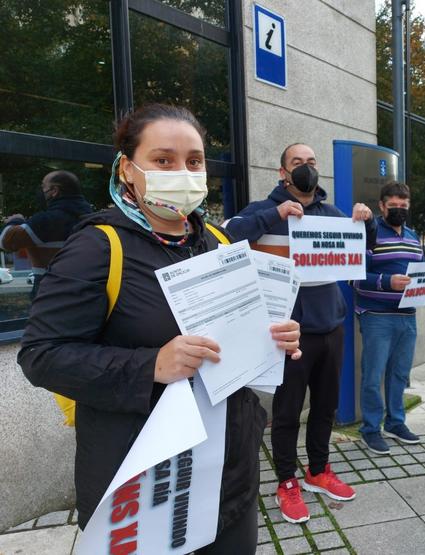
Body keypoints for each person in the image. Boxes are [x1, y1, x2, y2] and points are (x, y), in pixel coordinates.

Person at [19, 104, 301, 554]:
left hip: (229, 475)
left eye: (194, 161)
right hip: (144, 480)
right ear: (128, 170)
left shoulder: (219, 241)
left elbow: (239, 330)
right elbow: (41, 356)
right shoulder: (97, 247)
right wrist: (152, 365)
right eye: (163, 160)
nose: (182, 172)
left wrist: (276, 337)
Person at [226, 143, 376, 524]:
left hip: (331, 326)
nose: (306, 168)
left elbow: (363, 250)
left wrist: (367, 221)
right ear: (283, 172)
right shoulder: (263, 211)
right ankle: (286, 481)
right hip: (289, 333)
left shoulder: (331, 213)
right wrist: (275, 213)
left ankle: (318, 471)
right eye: (297, 163)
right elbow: (227, 237)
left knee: (325, 407)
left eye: (311, 162)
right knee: (289, 412)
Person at [352, 181, 425, 455]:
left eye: (403, 206)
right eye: (393, 206)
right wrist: (388, 282)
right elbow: (354, 278)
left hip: (407, 316)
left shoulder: (412, 236)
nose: (399, 210)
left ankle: (395, 423)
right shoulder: (368, 232)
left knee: (400, 374)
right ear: (381, 206)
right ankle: (371, 430)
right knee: (374, 377)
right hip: (376, 316)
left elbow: (421, 272)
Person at [0, 170, 93, 297]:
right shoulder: (91, 218)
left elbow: (6, 241)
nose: (41, 191)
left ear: (54, 191)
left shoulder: (47, 221)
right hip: (86, 292)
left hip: (51, 293)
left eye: (43, 186)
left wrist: (15, 220)